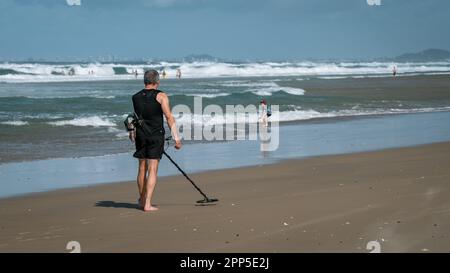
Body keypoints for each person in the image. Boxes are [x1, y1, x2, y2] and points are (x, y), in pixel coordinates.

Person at [130, 69, 182, 212]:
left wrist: (132, 132)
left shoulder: (135, 97)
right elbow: (169, 117)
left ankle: (141, 200)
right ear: (157, 82)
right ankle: (147, 204)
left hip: (140, 135)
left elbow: (135, 118)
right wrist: (177, 138)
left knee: (142, 168)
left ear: (144, 81)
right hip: (155, 135)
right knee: (152, 168)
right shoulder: (161, 96)